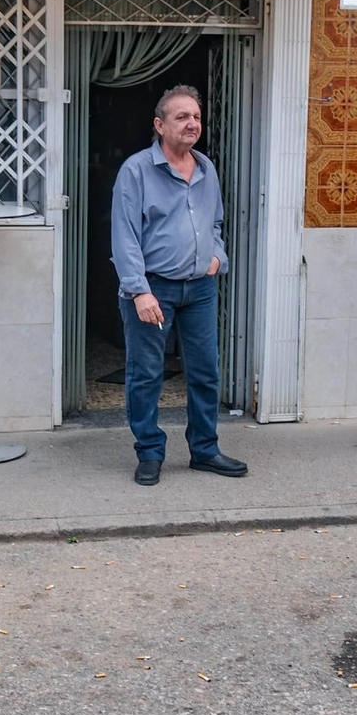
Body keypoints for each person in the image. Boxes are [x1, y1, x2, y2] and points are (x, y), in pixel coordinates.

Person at [110, 85, 246, 487]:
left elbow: (216, 220)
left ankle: (205, 450)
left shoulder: (206, 168)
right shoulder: (136, 170)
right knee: (146, 373)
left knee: (205, 372)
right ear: (159, 125)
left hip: (199, 289)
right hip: (154, 288)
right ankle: (149, 452)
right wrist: (139, 290)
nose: (192, 124)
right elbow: (125, 234)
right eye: (182, 117)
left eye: (196, 117)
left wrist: (217, 256)